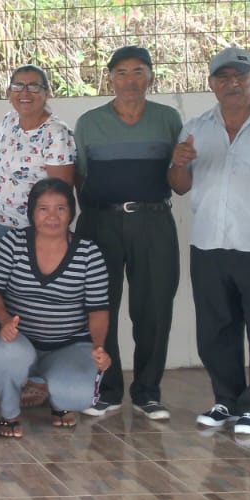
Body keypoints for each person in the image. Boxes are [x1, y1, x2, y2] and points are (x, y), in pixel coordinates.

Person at [169, 47, 250, 439]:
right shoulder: (196, 127)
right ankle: (227, 400)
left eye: (241, 76)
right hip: (209, 244)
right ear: (211, 84)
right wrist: (178, 162)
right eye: (223, 77)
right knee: (214, 332)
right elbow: (179, 187)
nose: (233, 83)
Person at [74, 46, 182, 421]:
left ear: (150, 76)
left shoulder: (168, 119)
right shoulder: (90, 122)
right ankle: (107, 390)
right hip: (99, 223)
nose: (130, 80)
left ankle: (147, 392)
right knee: (100, 307)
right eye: (121, 72)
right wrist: (97, 213)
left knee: (154, 308)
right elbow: (80, 176)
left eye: (138, 71)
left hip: (153, 222)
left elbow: (179, 175)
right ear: (110, 79)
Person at [0, 179, 112, 436]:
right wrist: (5, 320)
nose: (52, 216)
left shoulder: (89, 253)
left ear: (71, 213)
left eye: (60, 209)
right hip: (19, 339)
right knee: (8, 353)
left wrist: (98, 347)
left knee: (79, 395)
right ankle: (9, 416)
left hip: (69, 345)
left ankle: (59, 401)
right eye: (44, 209)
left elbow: (98, 309)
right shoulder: (12, 244)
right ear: (31, 212)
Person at [0, 65, 77, 246]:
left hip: (35, 228)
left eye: (34, 86)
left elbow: (61, 192)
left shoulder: (56, 133)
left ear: (46, 93)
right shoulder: (9, 120)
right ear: (9, 92)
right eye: (18, 86)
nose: (25, 92)